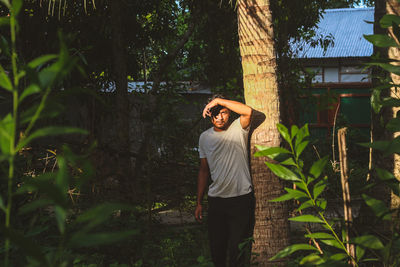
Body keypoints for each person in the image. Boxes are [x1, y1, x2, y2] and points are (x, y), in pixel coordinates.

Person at [195, 95, 255, 267]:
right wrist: (199, 202)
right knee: (217, 249)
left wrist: (218, 101)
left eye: (223, 112)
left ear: (229, 113)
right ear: (209, 115)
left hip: (241, 198)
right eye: (215, 113)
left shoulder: (238, 128)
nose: (219, 117)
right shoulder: (205, 137)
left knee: (238, 250)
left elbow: (248, 111)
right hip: (216, 201)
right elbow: (204, 170)